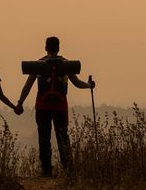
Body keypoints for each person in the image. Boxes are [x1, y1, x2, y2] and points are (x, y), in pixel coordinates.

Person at [15, 36, 95, 176]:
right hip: (60, 107)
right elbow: (76, 83)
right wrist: (89, 86)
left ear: (46, 48)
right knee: (63, 137)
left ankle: (47, 171)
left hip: (42, 107)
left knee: (44, 138)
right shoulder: (66, 64)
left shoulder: (39, 64)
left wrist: (20, 102)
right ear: (58, 48)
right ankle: (69, 170)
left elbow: (28, 85)